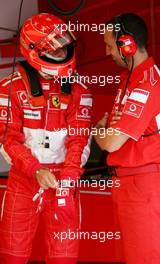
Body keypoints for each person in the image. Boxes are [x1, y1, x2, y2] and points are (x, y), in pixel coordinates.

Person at [0, 13, 92, 264]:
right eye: (56, 49)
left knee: (64, 258)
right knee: (12, 256)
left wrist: (68, 179)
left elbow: (79, 140)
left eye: (65, 47)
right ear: (34, 50)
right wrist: (35, 169)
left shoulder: (79, 90)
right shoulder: (10, 88)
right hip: (23, 180)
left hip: (64, 181)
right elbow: (7, 140)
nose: (63, 52)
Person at [94, 13, 160, 264]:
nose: (108, 52)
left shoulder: (146, 84)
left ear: (126, 44)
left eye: (109, 45)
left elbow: (110, 142)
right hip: (127, 184)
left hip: (143, 185)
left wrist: (99, 131)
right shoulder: (130, 80)